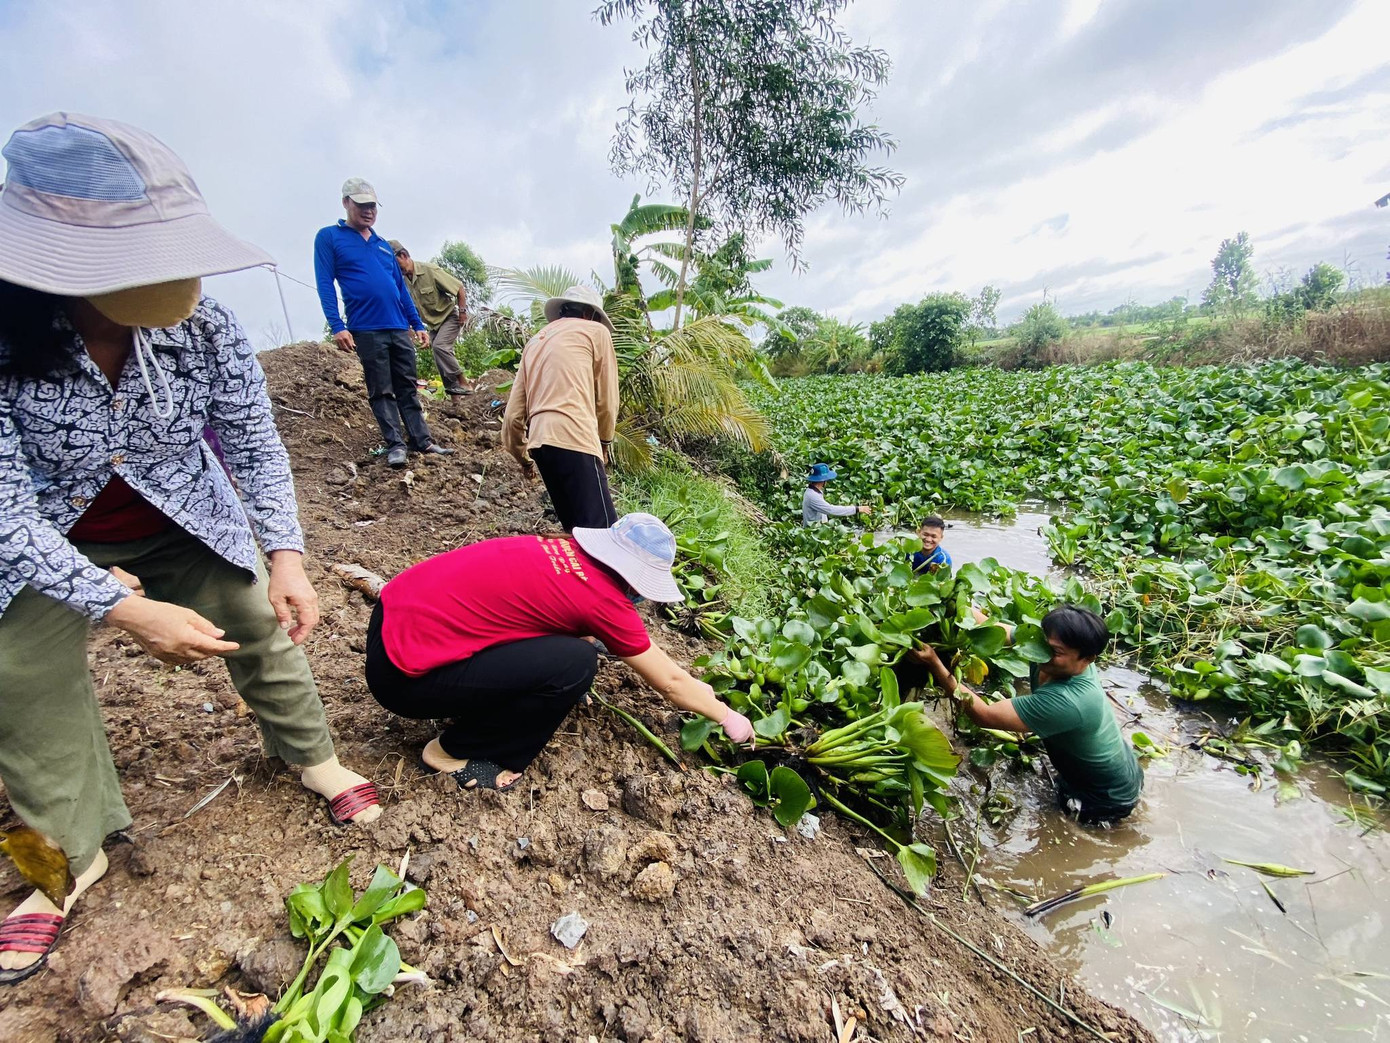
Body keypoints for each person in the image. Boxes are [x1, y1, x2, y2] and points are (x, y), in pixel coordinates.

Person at [0, 113, 382, 984]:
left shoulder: (205, 325)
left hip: (181, 514)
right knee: (17, 669)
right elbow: (6, 513)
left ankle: (312, 757)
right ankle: (66, 854)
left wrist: (285, 553)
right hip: (46, 534)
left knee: (254, 615)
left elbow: (252, 440)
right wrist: (120, 607)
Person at [365, 513, 753, 790]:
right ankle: (449, 752)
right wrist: (726, 715)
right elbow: (670, 682)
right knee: (576, 664)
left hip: (389, 621)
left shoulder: (557, 548)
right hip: (401, 681)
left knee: (574, 647)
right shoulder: (604, 600)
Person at [909, 604, 1142, 824]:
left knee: (1073, 828)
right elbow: (995, 629)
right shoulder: (1046, 646)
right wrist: (955, 607)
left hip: (1106, 794)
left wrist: (935, 664)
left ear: (1088, 659)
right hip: (1111, 763)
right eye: (1043, 643)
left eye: (1055, 652)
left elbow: (984, 715)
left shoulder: (1071, 701)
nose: (1042, 653)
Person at [313, 179, 454, 468]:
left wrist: (416, 323)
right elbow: (325, 283)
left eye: (372, 206)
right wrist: (337, 325)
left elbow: (400, 289)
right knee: (381, 389)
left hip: (398, 326)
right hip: (366, 328)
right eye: (361, 205)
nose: (368, 211)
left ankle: (423, 441)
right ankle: (396, 445)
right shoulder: (329, 238)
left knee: (407, 386)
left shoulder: (383, 246)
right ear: (346, 203)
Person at [502, 285, 619, 531]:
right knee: (604, 534)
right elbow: (607, 400)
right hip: (576, 436)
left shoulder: (535, 342)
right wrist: (604, 442)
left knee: (576, 531)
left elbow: (512, 416)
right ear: (590, 314)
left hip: (540, 445)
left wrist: (524, 459)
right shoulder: (597, 332)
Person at [389, 240, 470, 397]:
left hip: (449, 317)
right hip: (432, 324)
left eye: (396, 263)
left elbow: (459, 287)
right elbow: (407, 307)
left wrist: (462, 312)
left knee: (440, 346)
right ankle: (455, 398)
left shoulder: (430, 271)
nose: (396, 269)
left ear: (404, 255)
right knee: (438, 355)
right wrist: (412, 329)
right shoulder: (402, 281)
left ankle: (463, 382)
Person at [802, 463, 871, 526]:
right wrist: (857, 509)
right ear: (823, 480)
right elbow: (831, 510)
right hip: (813, 531)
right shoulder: (812, 496)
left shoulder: (815, 491)